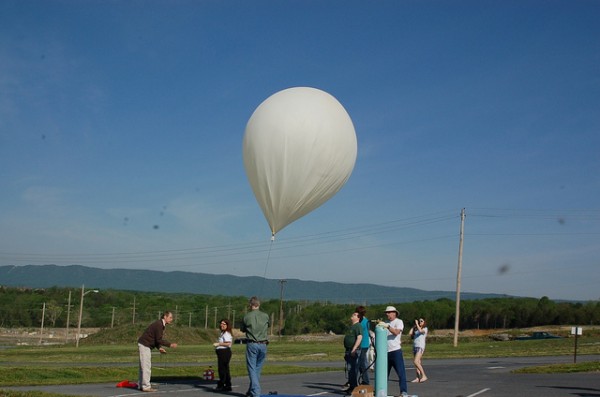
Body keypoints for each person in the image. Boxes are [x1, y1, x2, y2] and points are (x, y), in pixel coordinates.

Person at [137, 311, 178, 392]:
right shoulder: (159, 325)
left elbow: (155, 339)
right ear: (165, 317)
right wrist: (170, 345)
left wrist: (159, 348)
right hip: (145, 345)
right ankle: (146, 386)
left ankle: (141, 385)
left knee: (143, 367)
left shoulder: (160, 325)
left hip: (145, 344)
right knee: (146, 366)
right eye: (170, 317)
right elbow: (158, 339)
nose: (171, 319)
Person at [240, 296, 270, 397]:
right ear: (259, 304)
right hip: (263, 344)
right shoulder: (265, 316)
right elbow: (267, 326)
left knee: (252, 368)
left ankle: (256, 392)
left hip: (252, 343)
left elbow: (243, 329)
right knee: (257, 369)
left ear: (250, 305)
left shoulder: (247, 317)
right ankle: (251, 390)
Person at [378, 306, 408, 397]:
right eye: (386, 313)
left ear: (394, 313)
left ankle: (403, 392)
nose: (387, 314)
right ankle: (381, 391)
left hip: (395, 351)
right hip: (385, 352)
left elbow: (396, 332)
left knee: (400, 372)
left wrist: (387, 326)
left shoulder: (399, 322)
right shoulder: (385, 323)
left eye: (389, 312)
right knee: (383, 374)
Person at [343, 311, 363, 394]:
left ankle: (354, 387)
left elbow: (359, 337)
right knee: (349, 369)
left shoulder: (358, 326)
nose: (352, 315)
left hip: (353, 350)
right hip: (348, 350)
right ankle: (351, 386)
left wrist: (354, 349)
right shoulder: (352, 327)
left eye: (354, 315)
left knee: (352, 369)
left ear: (358, 318)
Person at [213, 318, 233, 392]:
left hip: (224, 352)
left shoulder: (227, 333)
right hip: (222, 352)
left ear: (227, 325)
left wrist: (218, 344)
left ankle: (222, 384)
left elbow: (228, 343)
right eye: (221, 323)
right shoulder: (223, 333)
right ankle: (227, 385)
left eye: (224, 324)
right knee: (225, 369)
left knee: (222, 369)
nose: (222, 325)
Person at [408, 318, 428, 383]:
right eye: (419, 321)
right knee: (418, 363)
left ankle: (424, 376)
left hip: (420, 346)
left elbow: (421, 331)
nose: (420, 322)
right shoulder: (416, 330)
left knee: (415, 361)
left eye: (421, 321)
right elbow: (410, 333)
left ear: (424, 322)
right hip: (415, 346)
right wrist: (414, 326)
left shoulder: (425, 329)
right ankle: (417, 377)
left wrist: (417, 324)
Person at [355, 305, 371, 385]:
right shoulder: (364, 321)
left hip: (363, 344)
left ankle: (366, 381)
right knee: (361, 362)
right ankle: (364, 380)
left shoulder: (363, 322)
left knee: (362, 363)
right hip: (362, 344)